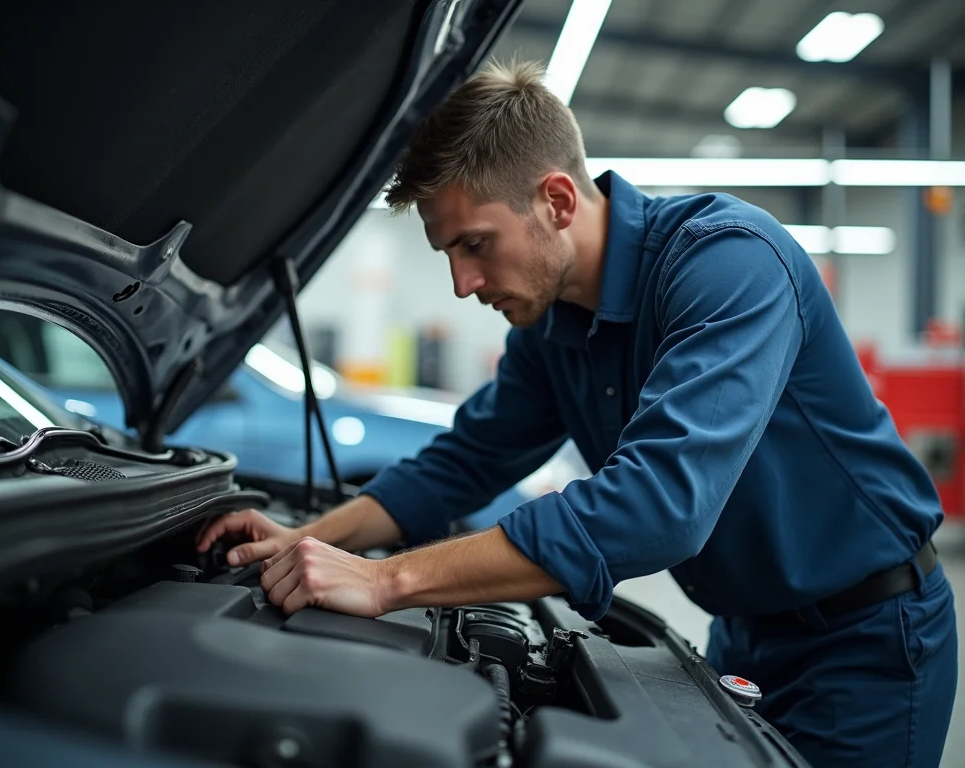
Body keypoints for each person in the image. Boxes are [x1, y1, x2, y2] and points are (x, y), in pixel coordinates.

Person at [198, 60, 956, 766]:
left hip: (867, 641)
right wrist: (308, 540)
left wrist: (387, 581)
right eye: (447, 255)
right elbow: (462, 464)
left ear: (556, 201)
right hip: (744, 633)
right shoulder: (552, 327)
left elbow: (656, 508)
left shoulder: (727, 263)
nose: (463, 283)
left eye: (475, 244)